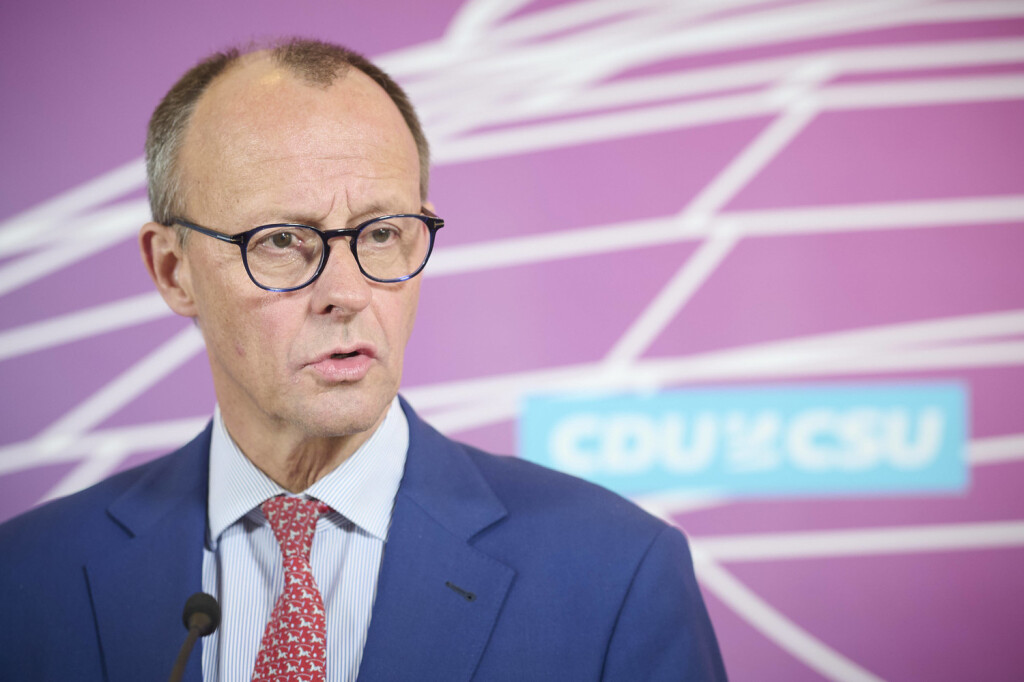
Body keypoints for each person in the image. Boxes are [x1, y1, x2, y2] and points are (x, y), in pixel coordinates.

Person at [0, 38, 726, 681]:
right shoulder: (26, 581)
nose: (346, 292)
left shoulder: (614, 573)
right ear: (172, 270)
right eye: (282, 240)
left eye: (382, 233)